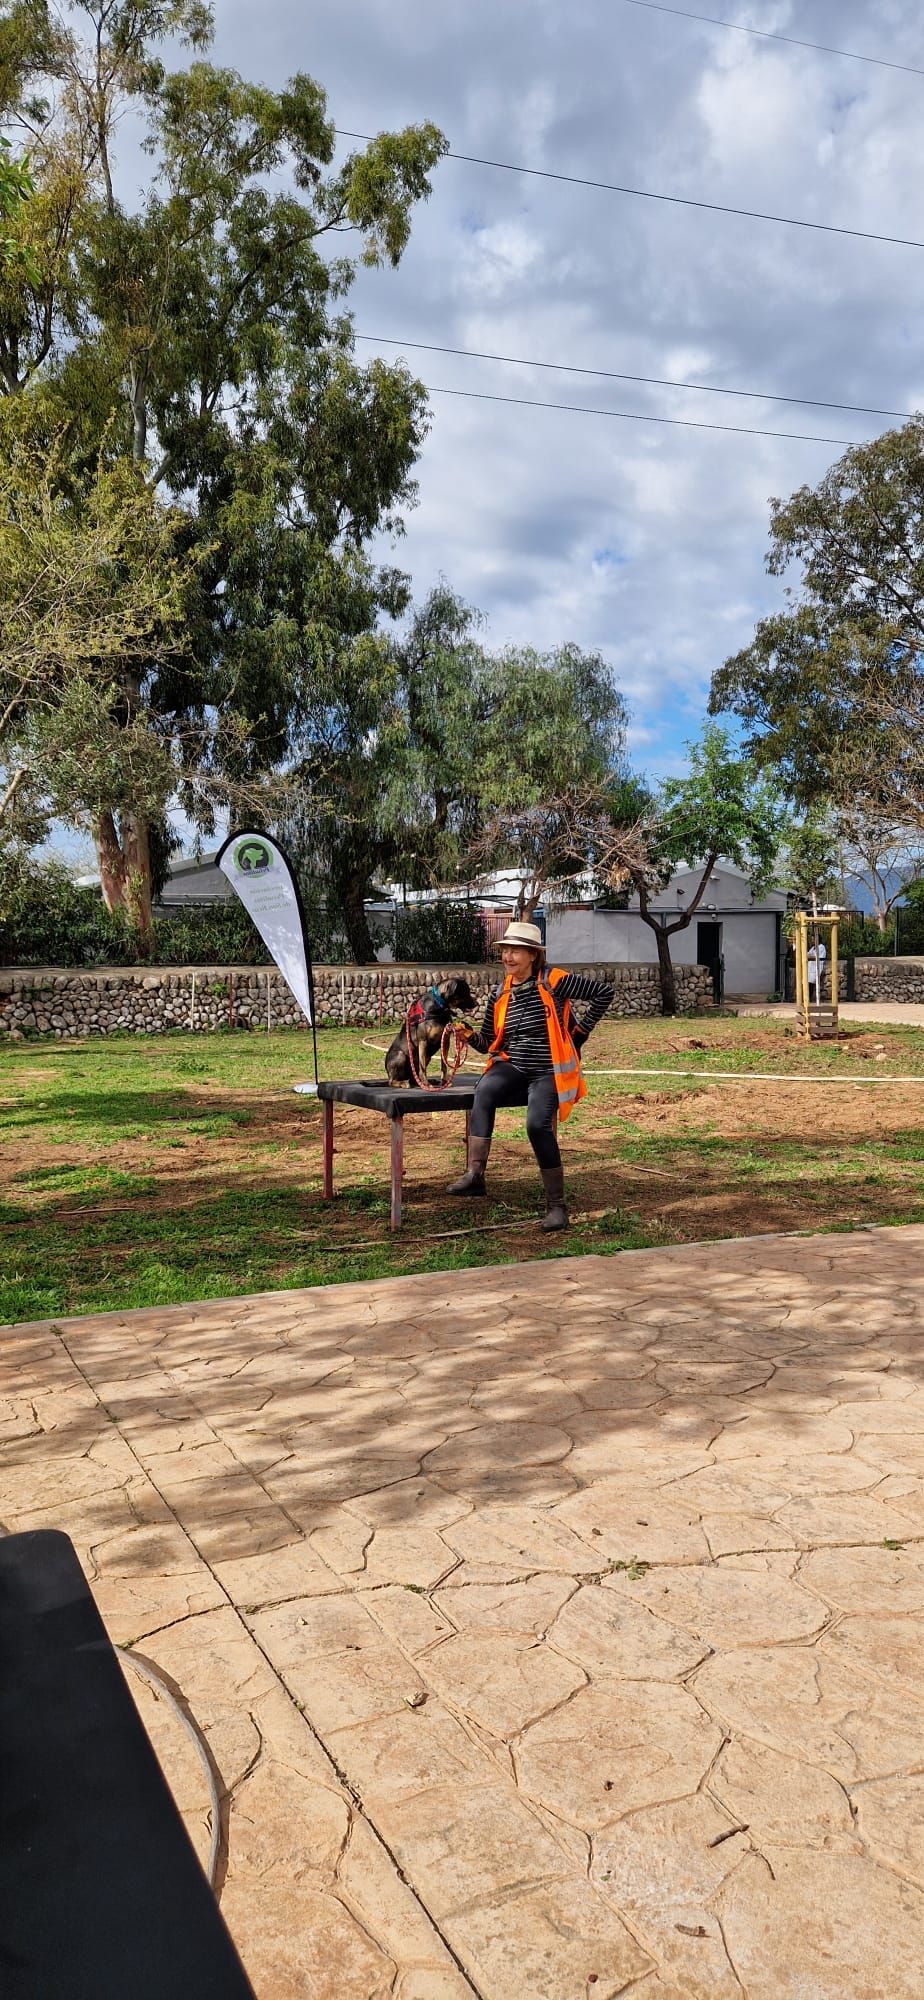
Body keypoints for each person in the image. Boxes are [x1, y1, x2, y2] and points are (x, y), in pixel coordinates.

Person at [449, 920, 614, 1230]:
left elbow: (604, 993)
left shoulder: (555, 980)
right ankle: (475, 1176)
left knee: (537, 1125)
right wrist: (468, 1035)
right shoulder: (501, 992)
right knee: (483, 1091)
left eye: (516, 951)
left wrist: (580, 1033)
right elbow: (487, 1043)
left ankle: (556, 1206)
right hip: (513, 1066)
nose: (508, 957)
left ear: (533, 955)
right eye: (505, 951)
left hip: (547, 1070)